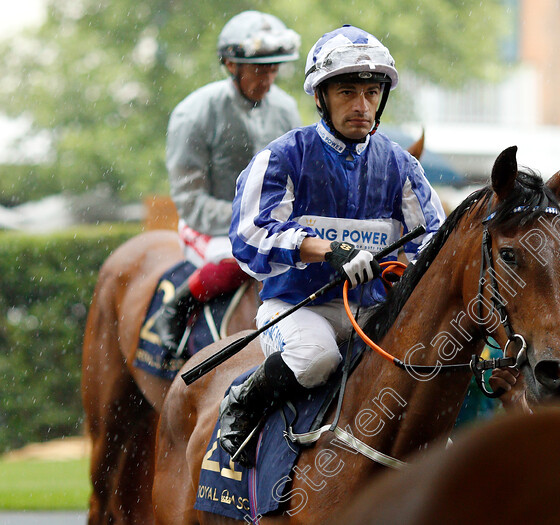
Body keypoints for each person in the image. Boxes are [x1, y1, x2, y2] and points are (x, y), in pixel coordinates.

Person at [219, 25, 446, 466]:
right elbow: (248, 238)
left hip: (372, 312)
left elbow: (432, 240)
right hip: (298, 308)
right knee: (317, 358)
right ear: (321, 97)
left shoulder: (402, 166)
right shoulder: (283, 157)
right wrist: (327, 251)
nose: (362, 106)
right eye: (347, 92)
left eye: (372, 92)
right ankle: (243, 399)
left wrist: (407, 274)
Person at [153, 11, 302, 352]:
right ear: (230, 65)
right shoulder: (194, 113)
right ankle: (176, 308)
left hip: (269, 225)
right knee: (242, 261)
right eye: (259, 69)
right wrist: (251, 225)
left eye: (274, 68)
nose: (268, 78)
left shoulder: (287, 108)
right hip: (209, 227)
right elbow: (190, 201)